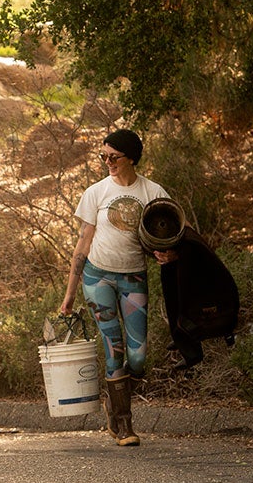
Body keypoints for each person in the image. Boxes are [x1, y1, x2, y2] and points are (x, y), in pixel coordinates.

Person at [59, 128, 174, 447]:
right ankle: (122, 424)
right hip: (98, 278)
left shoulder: (152, 191)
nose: (107, 162)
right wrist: (70, 293)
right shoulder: (95, 192)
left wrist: (169, 253)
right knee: (114, 350)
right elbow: (82, 243)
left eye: (114, 157)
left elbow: (171, 230)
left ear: (131, 158)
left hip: (133, 278)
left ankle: (114, 398)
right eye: (103, 156)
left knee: (137, 358)